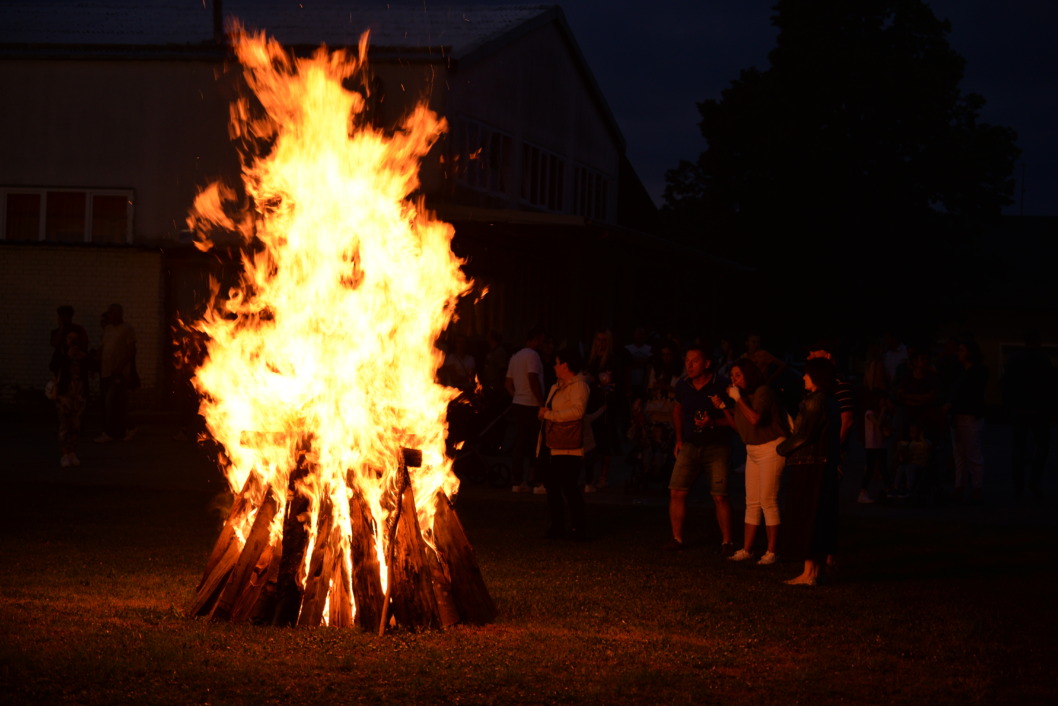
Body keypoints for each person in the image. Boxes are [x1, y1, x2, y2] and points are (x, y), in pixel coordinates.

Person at [713, 358, 788, 565]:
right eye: (732, 376)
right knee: (752, 502)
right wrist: (723, 407)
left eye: (738, 375)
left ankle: (772, 552)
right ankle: (748, 549)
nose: (733, 379)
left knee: (768, 501)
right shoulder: (742, 398)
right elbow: (741, 428)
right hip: (753, 450)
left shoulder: (763, 392)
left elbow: (756, 419)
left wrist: (737, 400)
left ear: (749, 375)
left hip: (771, 447)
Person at [777, 357, 841, 586]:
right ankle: (816, 571)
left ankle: (809, 573)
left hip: (810, 466)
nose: (803, 378)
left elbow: (806, 435)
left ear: (816, 377)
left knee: (807, 515)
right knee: (819, 516)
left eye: (807, 374)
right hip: (822, 465)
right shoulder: (831, 401)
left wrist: (783, 448)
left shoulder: (816, 401)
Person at [666, 345, 734, 553]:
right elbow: (677, 410)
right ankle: (677, 538)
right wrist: (679, 439)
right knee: (677, 491)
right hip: (691, 444)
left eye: (694, 361)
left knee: (720, 495)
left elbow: (733, 418)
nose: (689, 365)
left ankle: (727, 541)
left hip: (716, 446)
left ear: (706, 363)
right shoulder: (683, 385)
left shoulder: (721, 385)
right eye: (687, 360)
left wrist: (713, 421)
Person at [538, 347, 590, 540]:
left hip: (569, 446)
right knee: (552, 486)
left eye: (556, 362)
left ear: (565, 365)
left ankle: (578, 527)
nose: (554, 366)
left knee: (569, 486)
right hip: (552, 443)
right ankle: (557, 526)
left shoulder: (579, 386)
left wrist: (551, 415)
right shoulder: (557, 386)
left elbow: (577, 412)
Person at [1002, 329, 1056, 498]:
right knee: (1042, 447)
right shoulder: (1043, 360)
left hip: (1019, 409)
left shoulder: (1015, 359)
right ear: (1037, 342)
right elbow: (1051, 385)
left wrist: (1009, 405)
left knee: (1019, 448)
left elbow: (1006, 383)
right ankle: (1034, 481)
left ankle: (1018, 485)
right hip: (1039, 410)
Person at [945, 336, 987, 501]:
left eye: (962, 350)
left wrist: (952, 404)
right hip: (959, 416)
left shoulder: (977, 372)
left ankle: (976, 487)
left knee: (972, 453)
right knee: (960, 454)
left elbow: (969, 394)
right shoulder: (962, 371)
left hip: (969, 416)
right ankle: (960, 485)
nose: (958, 353)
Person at [505, 327, 546, 492]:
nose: (542, 344)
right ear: (535, 339)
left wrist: (517, 395)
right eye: (541, 340)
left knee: (520, 443)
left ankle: (518, 481)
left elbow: (507, 383)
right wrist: (540, 401)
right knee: (536, 444)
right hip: (531, 405)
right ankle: (537, 481)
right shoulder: (533, 355)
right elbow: (533, 378)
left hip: (518, 404)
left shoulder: (515, 357)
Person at [96, 303, 137, 443]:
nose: (110, 316)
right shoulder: (107, 329)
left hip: (118, 373)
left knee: (112, 402)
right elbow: (103, 347)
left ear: (119, 314)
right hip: (105, 372)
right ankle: (119, 431)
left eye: (112, 313)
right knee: (108, 403)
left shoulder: (127, 329)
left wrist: (121, 367)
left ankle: (111, 432)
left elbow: (131, 350)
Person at [50, 326, 88, 467]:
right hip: (64, 394)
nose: (72, 341)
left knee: (76, 425)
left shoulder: (82, 353)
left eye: (75, 338)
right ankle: (64, 453)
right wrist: (67, 357)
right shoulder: (60, 353)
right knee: (65, 424)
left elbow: (90, 369)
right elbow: (53, 367)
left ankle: (72, 452)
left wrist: (85, 358)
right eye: (69, 338)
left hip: (79, 393)